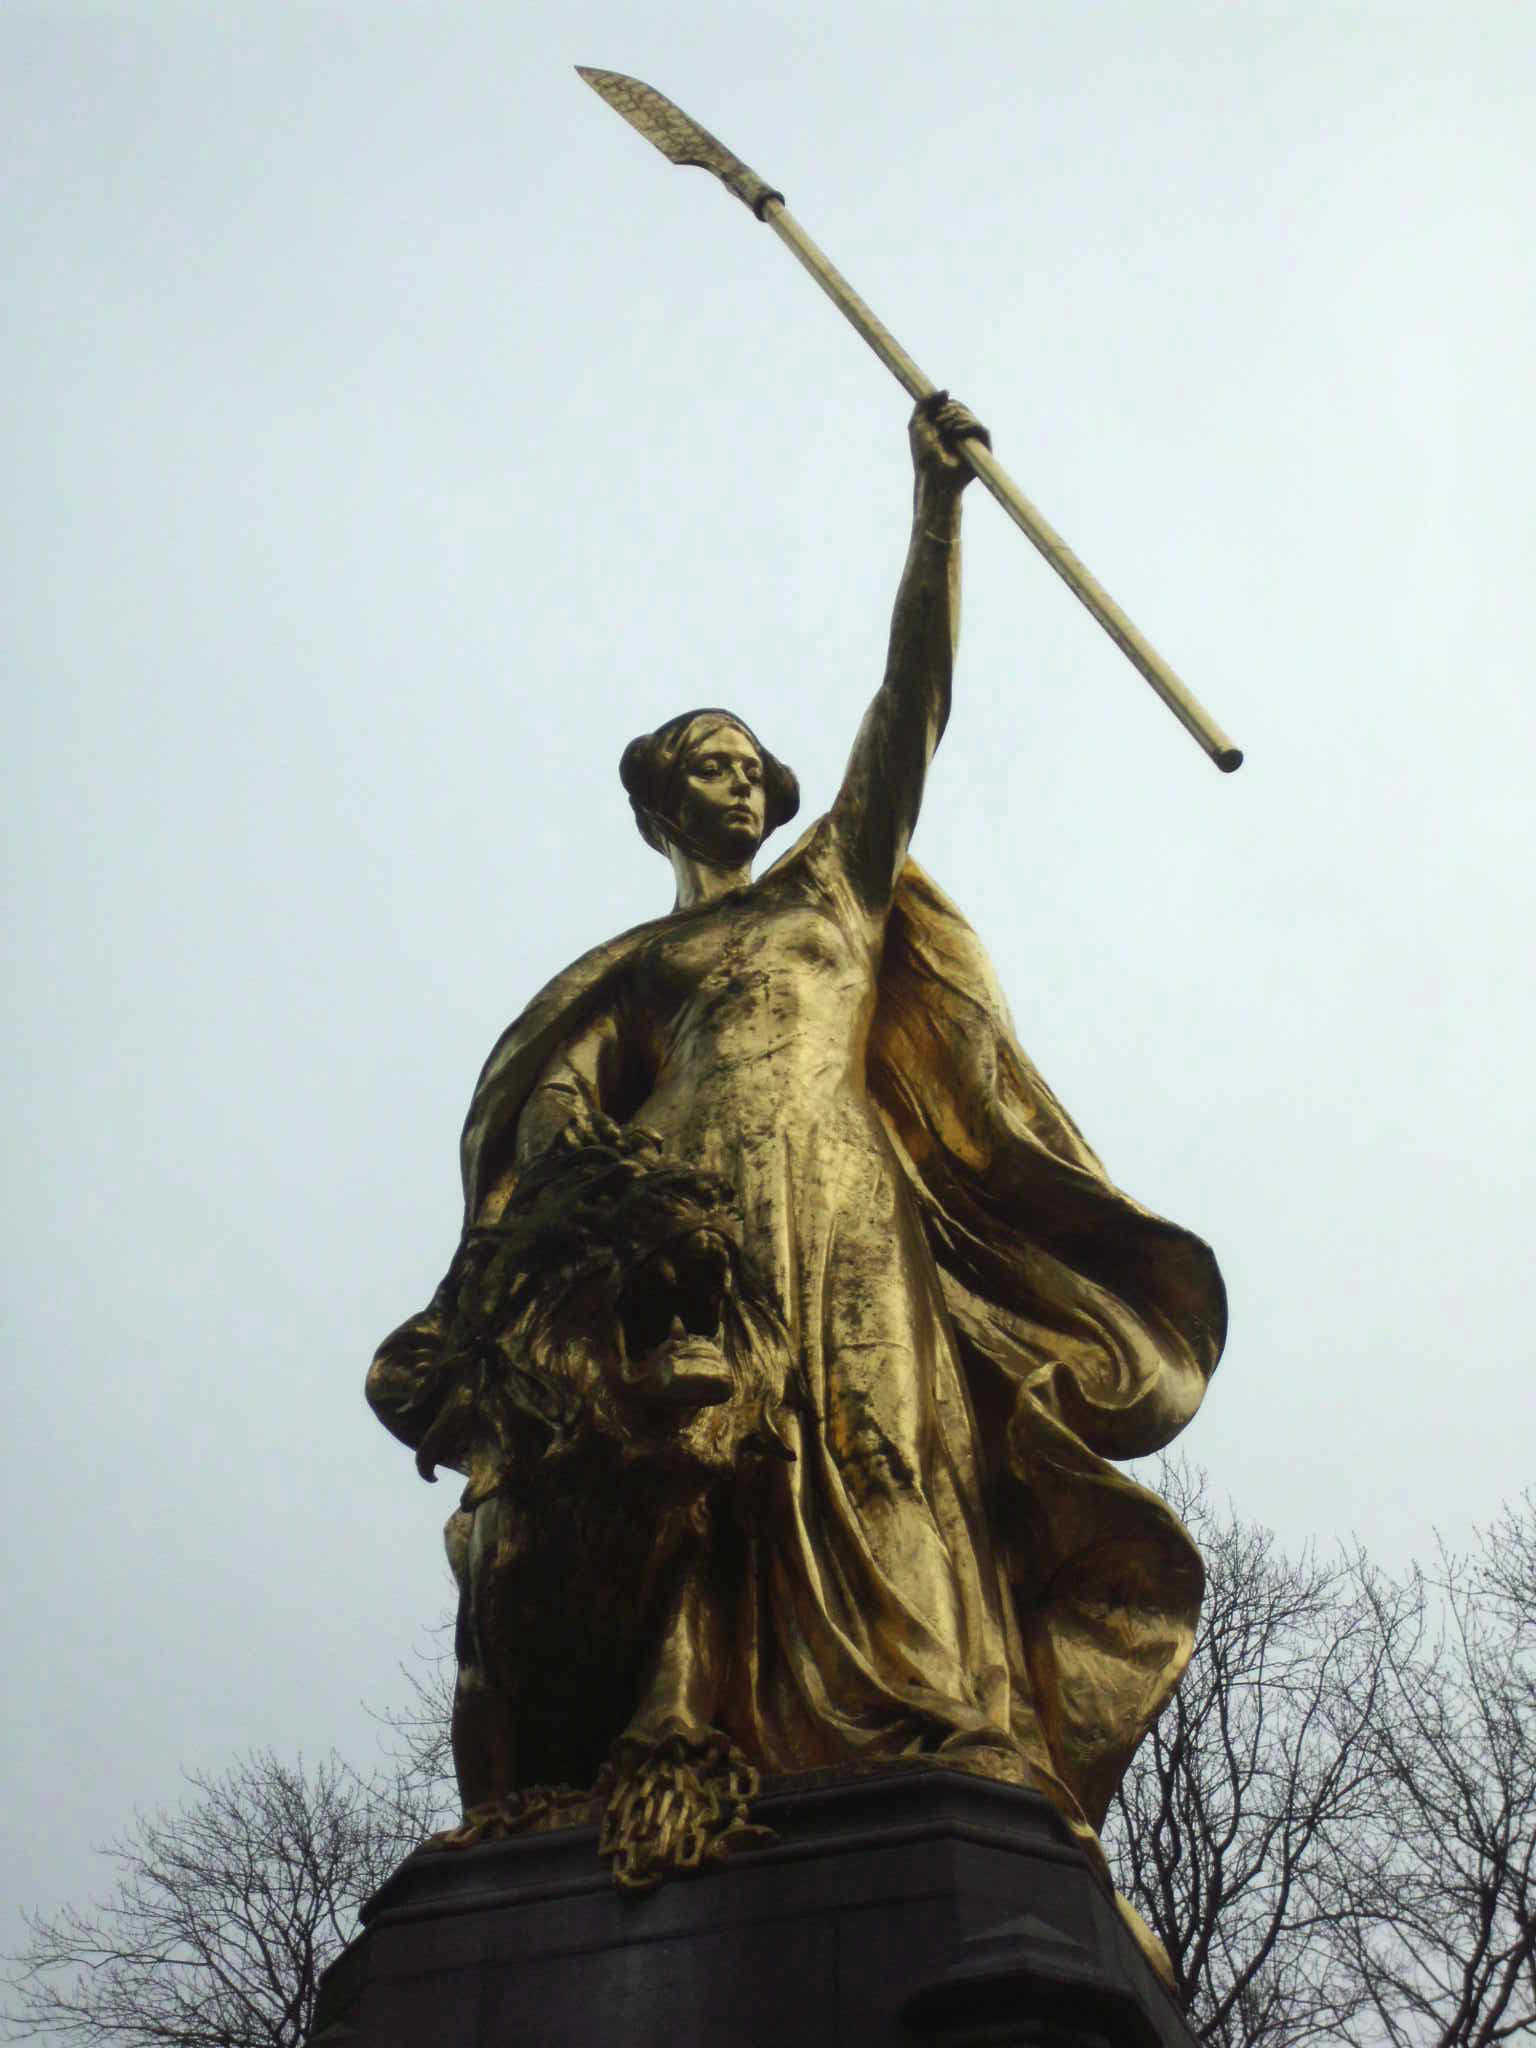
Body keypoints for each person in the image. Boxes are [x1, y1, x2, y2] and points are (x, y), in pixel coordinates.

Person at [374, 396, 1226, 1875]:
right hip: (682, 1212)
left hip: (832, 1187)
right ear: (663, 803)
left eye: (745, 758)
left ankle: (932, 1714)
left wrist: (936, 517)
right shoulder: (634, 969)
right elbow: (556, 1113)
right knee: (694, 1474)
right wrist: (591, 1176)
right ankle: (675, 1729)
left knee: (881, 1441)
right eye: (703, 759)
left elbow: (912, 705)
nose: (731, 772)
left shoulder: (831, 885)